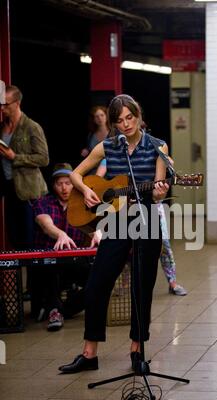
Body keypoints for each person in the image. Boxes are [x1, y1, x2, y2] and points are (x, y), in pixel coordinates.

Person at [58, 94, 169, 373]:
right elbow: (76, 175)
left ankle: (137, 351)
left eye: (130, 118)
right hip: (117, 220)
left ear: (138, 115)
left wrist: (159, 192)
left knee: (142, 288)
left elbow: (157, 193)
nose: (126, 124)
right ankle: (89, 354)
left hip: (145, 219)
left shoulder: (158, 147)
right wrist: (85, 191)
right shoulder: (108, 146)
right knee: (97, 284)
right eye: (119, 121)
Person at [96, 161, 187, 296]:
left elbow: (170, 163)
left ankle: (172, 282)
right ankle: (126, 283)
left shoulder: (151, 151)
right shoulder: (112, 154)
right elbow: (98, 179)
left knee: (164, 244)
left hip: (152, 206)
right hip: (124, 208)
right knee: (125, 246)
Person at [31, 163, 99, 331]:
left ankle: (59, 309)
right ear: (53, 185)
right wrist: (60, 234)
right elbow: (45, 224)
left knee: (99, 277)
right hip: (46, 262)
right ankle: (54, 310)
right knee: (52, 264)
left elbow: (91, 229)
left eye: (68, 183)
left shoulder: (82, 204)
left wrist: (97, 234)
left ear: (74, 184)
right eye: (59, 183)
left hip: (72, 262)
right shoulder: (43, 202)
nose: (64, 188)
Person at [0, 85, 49, 250]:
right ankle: (19, 276)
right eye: (1, 104)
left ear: (17, 103)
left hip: (28, 190)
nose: (3, 108)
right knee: (13, 238)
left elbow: (43, 159)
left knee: (29, 240)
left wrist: (16, 157)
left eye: (6, 104)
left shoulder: (31, 127)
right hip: (9, 187)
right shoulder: (2, 127)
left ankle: (31, 276)